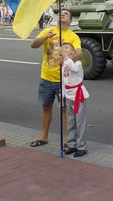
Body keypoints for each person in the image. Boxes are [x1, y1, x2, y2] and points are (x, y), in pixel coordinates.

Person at [29, 8, 82, 148]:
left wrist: (67, 57)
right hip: (46, 77)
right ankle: (44, 136)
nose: (62, 15)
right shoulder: (49, 31)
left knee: (65, 110)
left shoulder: (72, 36)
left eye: (66, 14)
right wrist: (45, 37)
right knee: (46, 107)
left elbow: (79, 53)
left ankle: (67, 140)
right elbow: (33, 44)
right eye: (61, 13)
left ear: (70, 21)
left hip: (64, 80)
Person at [61, 42, 89, 157]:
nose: (64, 50)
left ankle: (81, 146)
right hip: (68, 95)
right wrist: (62, 96)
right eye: (62, 48)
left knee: (80, 122)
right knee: (70, 120)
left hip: (77, 95)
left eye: (66, 48)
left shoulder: (77, 63)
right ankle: (71, 144)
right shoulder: (64, 64)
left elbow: (73, 69)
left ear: (73, 52)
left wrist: (66, 58)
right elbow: (64, 81)